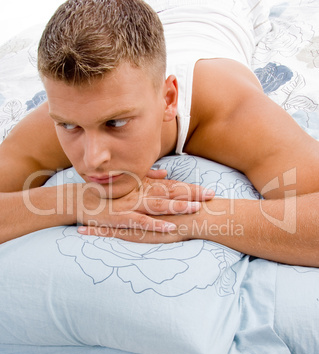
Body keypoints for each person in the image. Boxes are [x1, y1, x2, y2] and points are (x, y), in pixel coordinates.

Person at [0, 0, 319, 267]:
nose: (93, 158)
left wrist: (189, 216)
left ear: (169, 99)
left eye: (116, 123)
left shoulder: (233, 112)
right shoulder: (63, 113)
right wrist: (76, 200)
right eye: (70, 126)